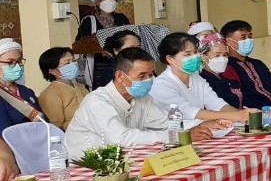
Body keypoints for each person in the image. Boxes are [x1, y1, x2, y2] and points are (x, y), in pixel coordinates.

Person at [65, 48, 225, 159]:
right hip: (86, 169)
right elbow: (123, 138)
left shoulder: (141, 98)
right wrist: (181, 136)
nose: (149, 80)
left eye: (150, 75)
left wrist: (202, 123)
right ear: (120, 76)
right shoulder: (97, 102)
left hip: (123, 161)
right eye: (141, 76)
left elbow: (166, 122)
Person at [150, 32, 254, 124]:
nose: (194, 57)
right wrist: (235, 116)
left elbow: (217, 104)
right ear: (170, 59)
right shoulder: (162, 84)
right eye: (188, 54)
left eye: (195, 52)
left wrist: (243, 114)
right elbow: (189, 112)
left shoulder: (196, 78)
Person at [221, 20, 271, 109]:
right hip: (256, 114)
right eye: (243, 38)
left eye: (250, 37)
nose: (248, 41)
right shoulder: (227, 68)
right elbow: (240, 98)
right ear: (228, 42)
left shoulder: (258, 64)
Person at [38, 47, 89, 130]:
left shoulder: (81, 88)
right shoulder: (50, 94)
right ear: (53, 71)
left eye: (73, 61)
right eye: (67, 63)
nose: (73, 65)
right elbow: (54, 127)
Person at [0, 38, 44, 132]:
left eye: (19, 61)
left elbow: (44, 122)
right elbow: (4, 133)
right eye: (10, 62)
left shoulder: (27, 92)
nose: (17, 66)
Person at [198, 33, 245, 109]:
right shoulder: (203, 81)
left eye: (225, 54)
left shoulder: (227, 79)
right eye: (217, 55)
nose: (222, 59)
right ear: (203, 57)